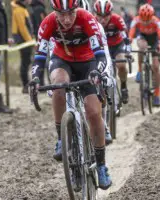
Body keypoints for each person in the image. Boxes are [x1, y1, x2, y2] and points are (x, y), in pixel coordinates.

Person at [29, 0, 112, 189]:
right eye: (61, 14)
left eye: (71, 13)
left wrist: (97, 72)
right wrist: (34, 78)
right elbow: (40, 57)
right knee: (58, 86)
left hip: (88, 62)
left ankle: (101, 165)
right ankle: (61, 138)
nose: (66, 20)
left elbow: (100, 55)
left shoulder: (87, 19)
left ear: (77, 9)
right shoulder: (48, 23)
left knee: (93, 113)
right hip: (62, 61)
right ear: (54, 12)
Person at [94, 0, 131, 105]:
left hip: (117, 46)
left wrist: (128, 48)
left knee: (121, 65)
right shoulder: (93, 21)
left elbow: (125, 35)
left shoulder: (117, 19)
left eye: (106, 16)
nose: (103, 19)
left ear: (111, 13)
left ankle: (123, 86)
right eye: (99, 16)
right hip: (102, 48)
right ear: (95, 14)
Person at [129, 4, 160, 107]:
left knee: (156, 67)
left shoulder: (156, 21)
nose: (145, 22)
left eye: (147, 19)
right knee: (142, 47)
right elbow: (130, 35)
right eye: (143, 19)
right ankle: (140, 70)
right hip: (143, 37)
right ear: (139, 16)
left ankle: (157, 95)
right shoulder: (136, 20)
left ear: (152, 16)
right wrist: (129, 41)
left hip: (155, 40)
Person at [12, 0, 34, 93]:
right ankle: (26, 86)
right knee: (25, 63)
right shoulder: (19, 10)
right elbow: (23, 28)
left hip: (26, 40)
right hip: (24, 41)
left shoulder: (22, 9)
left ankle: (27, 84)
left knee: (27, 62)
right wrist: (30, 41)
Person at [31, 0, 48, 86]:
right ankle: (41, 83)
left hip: (37, 37)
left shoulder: (33, 8)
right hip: (42, 38)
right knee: (43, 60)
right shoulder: (40, 9)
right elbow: (43, 24)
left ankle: (40, 82)